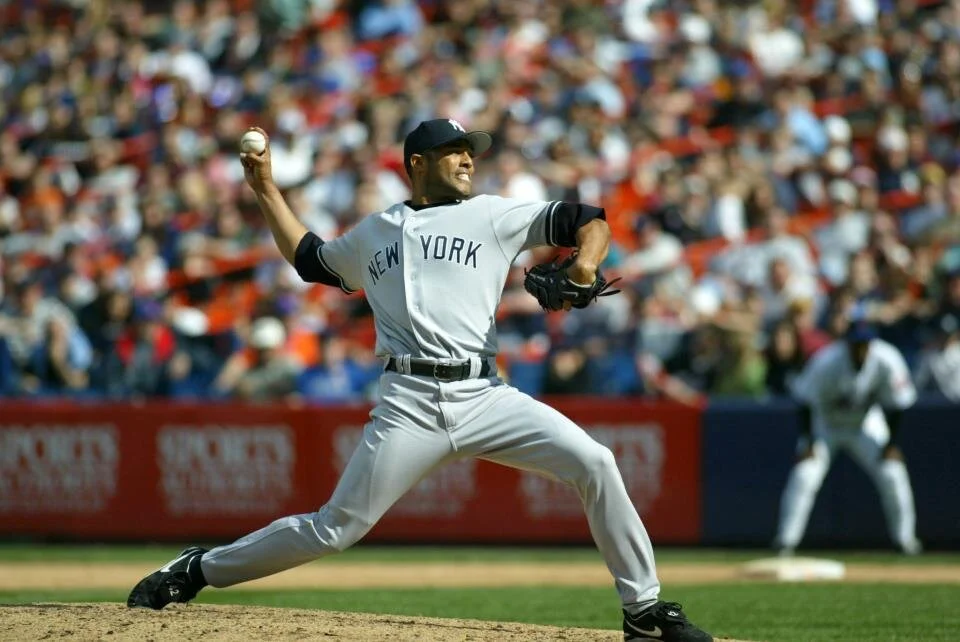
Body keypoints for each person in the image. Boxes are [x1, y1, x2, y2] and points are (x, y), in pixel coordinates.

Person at [126, 119, 713, 642]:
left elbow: (587, 220)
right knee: (335, 529)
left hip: (486, 395)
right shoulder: (376, 229)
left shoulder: (491, 213)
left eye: (470, 152)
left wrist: (584, 264)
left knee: (596, 462)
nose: (467, 160)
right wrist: (264, 189)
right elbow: (309, 259)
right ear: (417, 163)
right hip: (407, 403)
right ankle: (198, 569)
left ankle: (643, 609)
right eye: (454, 151)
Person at [773, 320, 922, 556]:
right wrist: (809, 441)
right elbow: (804, 402)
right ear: (846, 344)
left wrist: (891, 444)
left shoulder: (887, 359)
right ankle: (786, 541)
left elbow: (899, 404)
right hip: (824, 426)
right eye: (856, 344)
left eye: (864, 344)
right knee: (804, 475)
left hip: (865, 424)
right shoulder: (826, 361)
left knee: (893, 473)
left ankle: (906, 540)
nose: (860, 349)